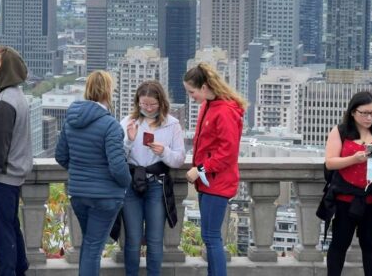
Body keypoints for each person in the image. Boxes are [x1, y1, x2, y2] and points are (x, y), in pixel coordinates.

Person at [55, 70, 131, 276]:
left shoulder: (71, 120)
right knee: (93, 248)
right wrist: (126, 182)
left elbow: (60, 156)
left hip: (79, 193)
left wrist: (80, 172)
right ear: (108, 91)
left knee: (89, 244)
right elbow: (117, 167)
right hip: (105, 196)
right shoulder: (111, 125)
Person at [322, 91, 372, 276]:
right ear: (353, 112)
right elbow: (330, 162)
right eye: (364, 113)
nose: (368, 117)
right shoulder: (340, 131)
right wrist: (354, 159)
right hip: (345, 198)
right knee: (339, 243)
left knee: (371, 245)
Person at [183, 63, 247, 276]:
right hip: (209, 182)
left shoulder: (224, 111)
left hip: (216, 182)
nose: (190, 96)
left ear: (204, 87)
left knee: (211, 237)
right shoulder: (208, 106)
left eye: (192, 91)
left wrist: (199, 169)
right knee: (209, 236)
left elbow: (228, 152)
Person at [119, 80, 185, 276]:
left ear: (161, 103)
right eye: (143, 104)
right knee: (133, 239)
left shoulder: (172, 125)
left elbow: (179, 159)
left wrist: (164, 151)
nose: (148, 108)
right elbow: (118, 157)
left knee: (155, 239)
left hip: (157, 184)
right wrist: (129, 141)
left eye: (152, 104)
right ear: (137, 102)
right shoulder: (127, 122)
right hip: (132, 184)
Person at [0, 46, 33, 276]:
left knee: (3, 235)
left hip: (1, 179)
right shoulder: (17, 97)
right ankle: (20, 268)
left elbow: (0, 144)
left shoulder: (4, 102)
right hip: (12, 178)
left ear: (5, 69)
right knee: (11, 228)